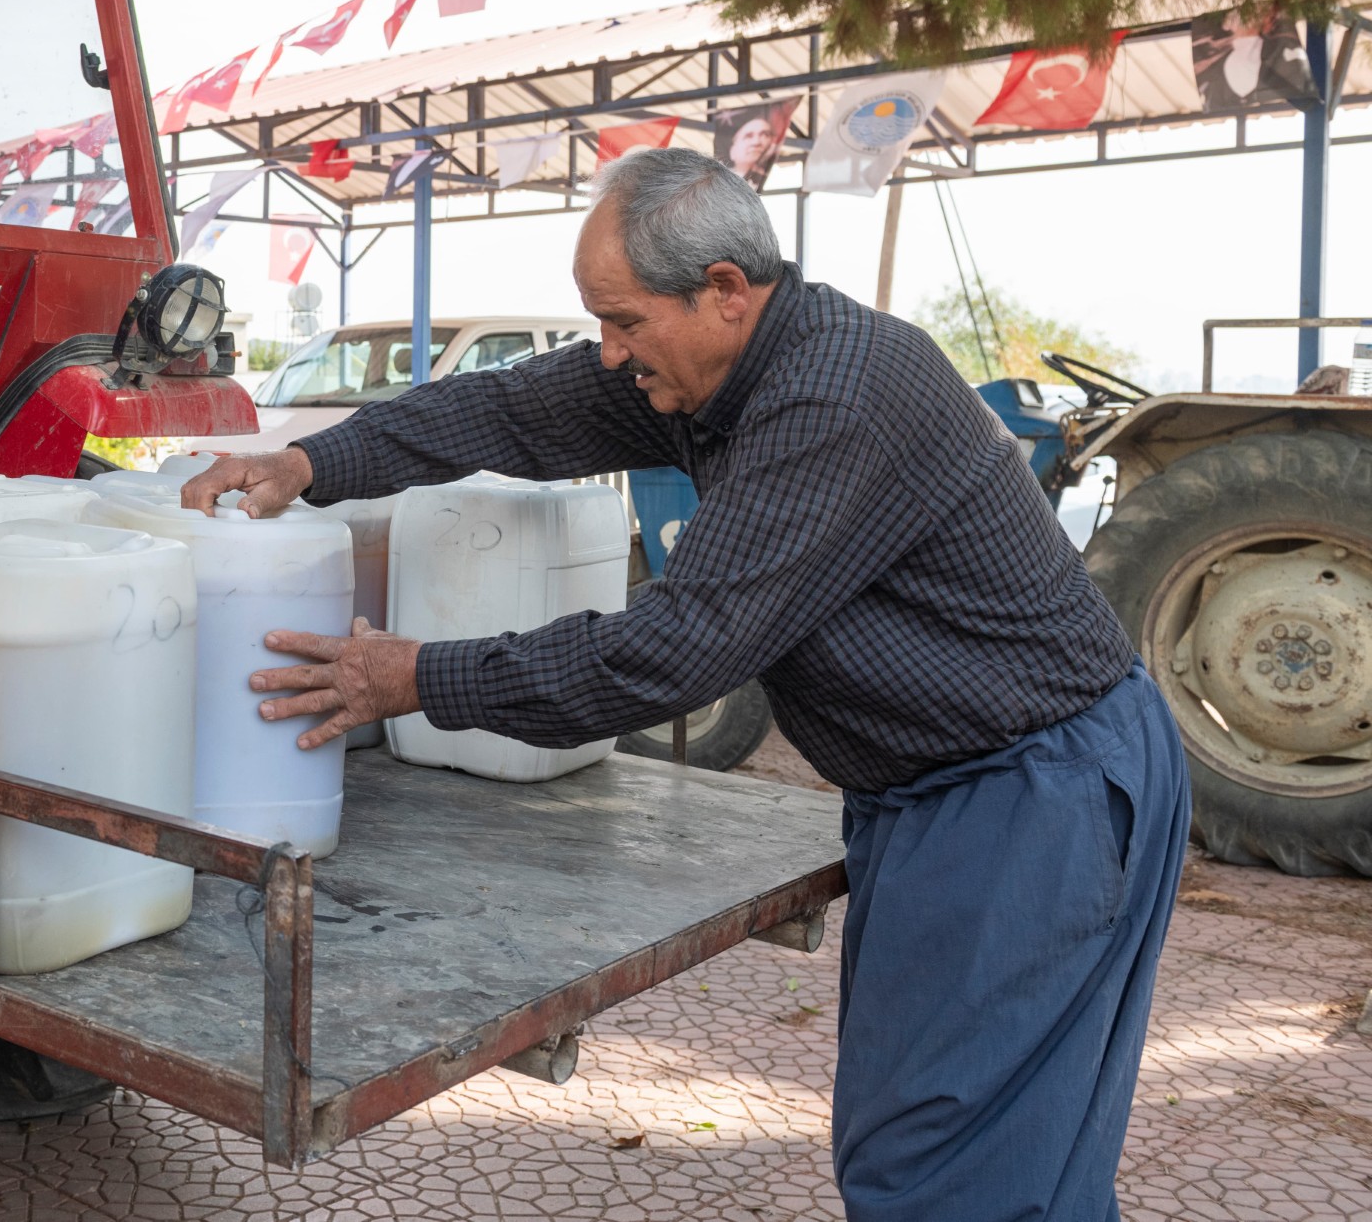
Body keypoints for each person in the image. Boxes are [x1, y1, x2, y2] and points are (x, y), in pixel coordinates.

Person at [180, 146, 1190, 1222]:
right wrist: (313, 462)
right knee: (988, 1154)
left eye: (623, 321)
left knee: (947, 1170)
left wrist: (417, 675)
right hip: (945, 793)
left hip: (1034, 795)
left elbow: (676, 649)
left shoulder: (834, 394)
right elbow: (510, 412)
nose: (609, 355)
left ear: (723, 292)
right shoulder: (709, 371)